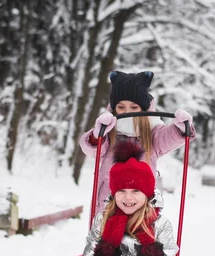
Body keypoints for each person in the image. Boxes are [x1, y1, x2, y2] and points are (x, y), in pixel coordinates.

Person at [80, 70, 195, 214]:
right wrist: (97, 135)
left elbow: (169, 137)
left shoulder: (152, 134)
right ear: (114, 109)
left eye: (134, 108)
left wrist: (181, 128)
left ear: (144, 109)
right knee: (108, 236)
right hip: (108, 205)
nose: (127, 112)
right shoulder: (109, 132)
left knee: (138, 235)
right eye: (121, 107)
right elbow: (92, 149)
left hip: (141, 209)